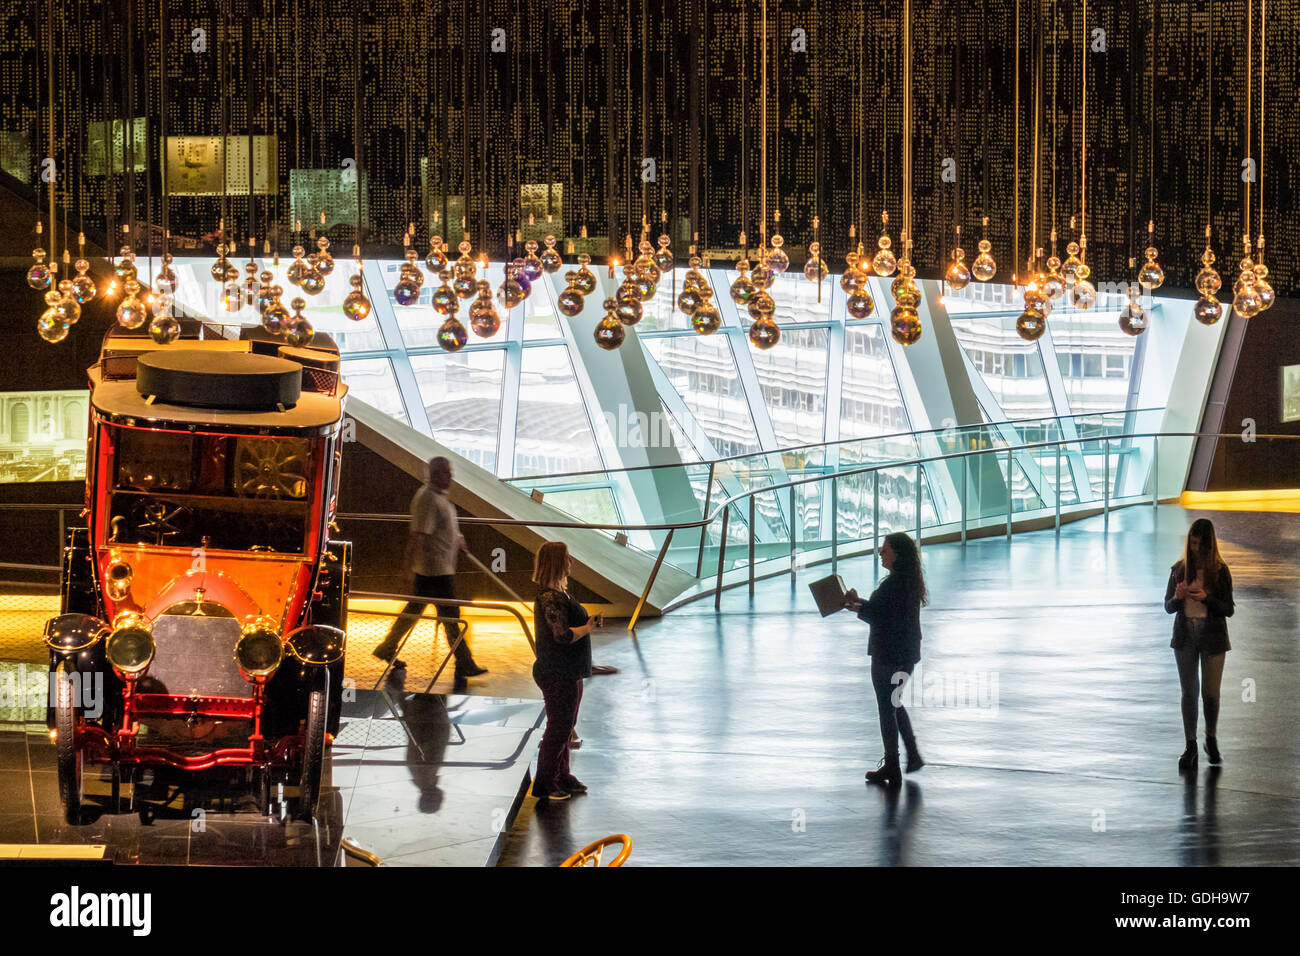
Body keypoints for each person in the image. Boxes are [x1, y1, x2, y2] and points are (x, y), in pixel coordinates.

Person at [372, 456, 488, 689]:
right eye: (446, 472)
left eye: (450, 471)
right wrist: (407, 570)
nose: (450, 476)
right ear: (434, 474)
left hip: (438, 569)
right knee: (451, 618)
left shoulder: (438, 498)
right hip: (434, 571)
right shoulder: (427, 499)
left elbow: (440, 529)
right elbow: (418, 536)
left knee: (417, 611)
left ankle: (387, 647)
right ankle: (464, 662)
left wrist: (458, 539)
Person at [844, 532, 927, 788]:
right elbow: (887, 612)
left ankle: (893, 763)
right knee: (893, 701)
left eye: (886, 549)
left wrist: (855, 606)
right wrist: (859, 604)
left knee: (886, 707)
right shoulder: (909, 581)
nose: (881, 552)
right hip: (907, 653)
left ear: (897, 554)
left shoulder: (893, 584)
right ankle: (910, 754)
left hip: (887, 654)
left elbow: (879, 615)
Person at [1164, 517, 1234, 772]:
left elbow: (1229, 609)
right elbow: (1168, 607)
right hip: (1185, 636)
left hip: (1213, 636)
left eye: (1200, 545)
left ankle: (1211, 738)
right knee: (1189, 693)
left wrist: (1207, 599)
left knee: (1211, 694)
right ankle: (1190, 744)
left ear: (1209, 546)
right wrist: (1177, 597)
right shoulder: (1179, 570)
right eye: (1192, 544)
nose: (1195, 549)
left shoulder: (1220, 571)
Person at [530, 541, 594, 802]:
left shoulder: (560, 594)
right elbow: (562, 636)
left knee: (566, 726)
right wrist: (587, 628)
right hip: (557, 671)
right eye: (567, 557)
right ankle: (545, 783)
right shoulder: (550, 598)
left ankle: (562, 775)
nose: (571, 562)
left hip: (569, 670)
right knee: (558, 728)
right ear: (558, 563)